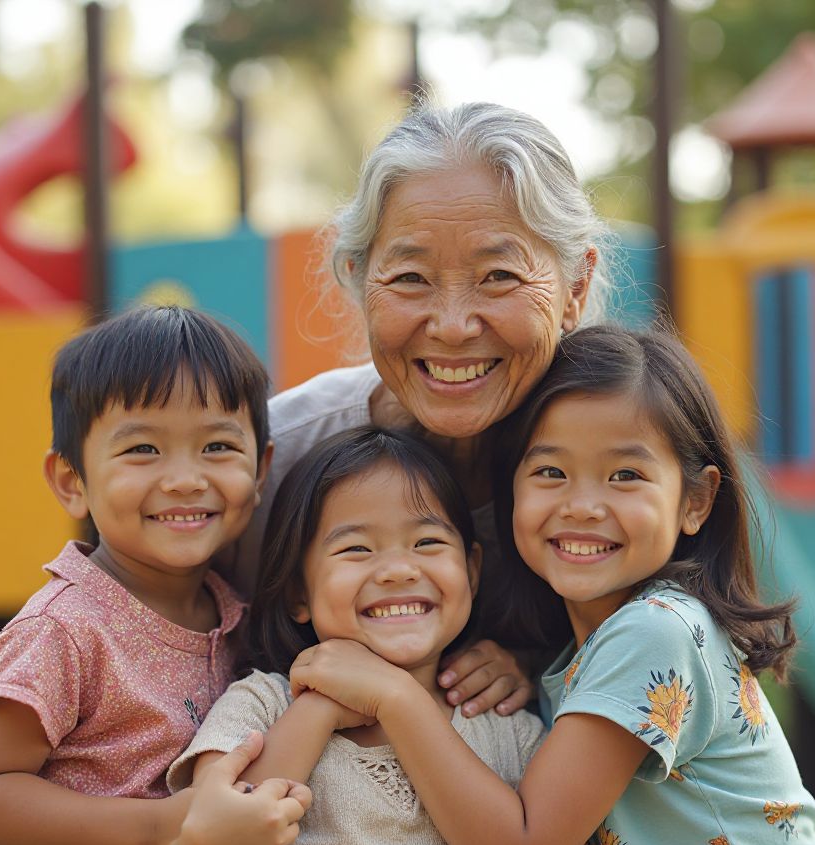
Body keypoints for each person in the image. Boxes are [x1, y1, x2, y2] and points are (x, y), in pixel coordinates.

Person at [282, 326, 815, 845]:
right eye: (550, 473)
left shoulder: (655, 631)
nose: (581, 504)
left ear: (696, 501)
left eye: (625, 475)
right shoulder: (581, 651)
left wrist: (393, 696)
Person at [0, 306, 312, 845]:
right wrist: (163, 825)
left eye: (217, 448)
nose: (184, 479)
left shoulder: (241, 618)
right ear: (72, 480)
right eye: (142, 451)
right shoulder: (65, 629)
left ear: (260, 469)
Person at [166, 427, 588, 845]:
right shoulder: (262, 704)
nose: (396, 570)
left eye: (426, 543)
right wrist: (319, 707)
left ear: (471, 570)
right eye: (356, 550)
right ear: (297, 593)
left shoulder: (503, 723)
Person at [221, 99, 603, 722]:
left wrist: (543, 669)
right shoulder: (274, 458)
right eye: (409, 279)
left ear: (575, 288)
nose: (452, 327)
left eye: (500, 276)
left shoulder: (629, 456)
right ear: (358, 277)